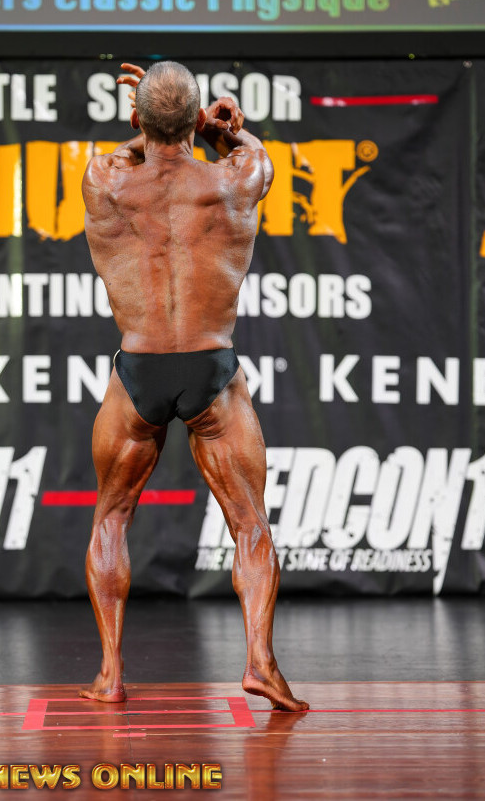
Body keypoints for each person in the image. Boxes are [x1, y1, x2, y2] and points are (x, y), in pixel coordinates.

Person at [80, 60, 308, 712]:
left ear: (136, 119)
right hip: (212, 368)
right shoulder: (237, 178)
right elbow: (252, 153)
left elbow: (134, 149)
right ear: (196, 118)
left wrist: (155, 123)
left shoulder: (104, 180)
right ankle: (261, 663)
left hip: (139, 368)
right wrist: (217, 129)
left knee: (112, 517)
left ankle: (110, 674)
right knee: (250, 525)